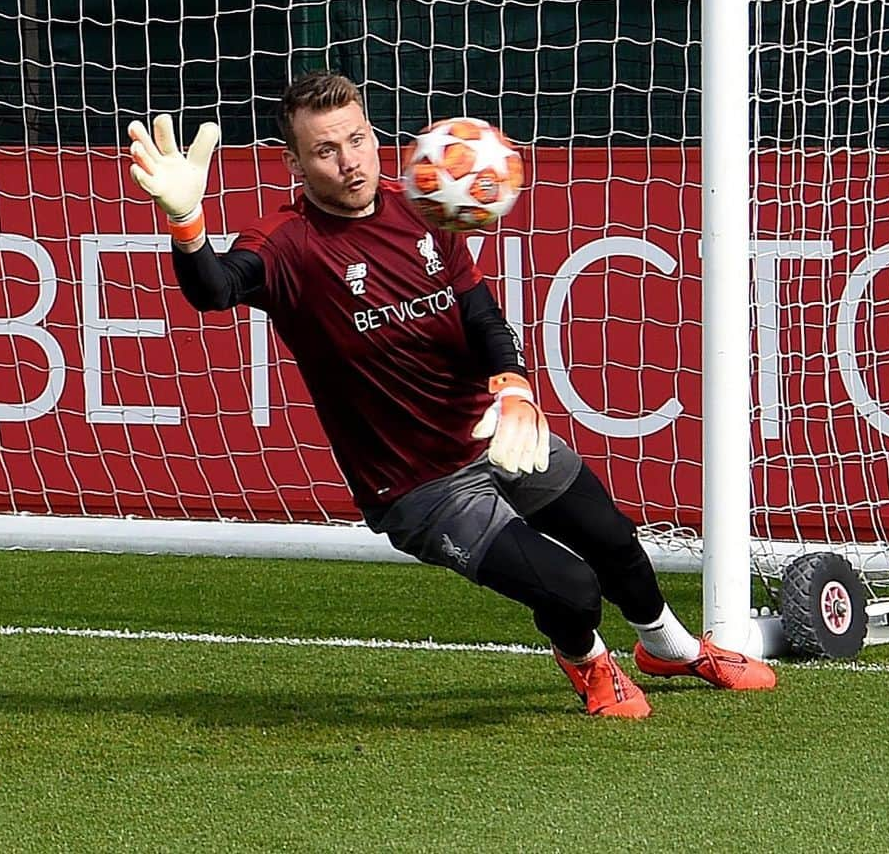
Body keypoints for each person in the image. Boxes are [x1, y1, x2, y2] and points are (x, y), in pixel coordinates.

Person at [127, 70, 776, 719]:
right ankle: (589, 664)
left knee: (613, 542)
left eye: (357, 138)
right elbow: (213, 289)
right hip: (421, 488)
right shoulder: (289, 244)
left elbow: (480, 315)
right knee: (572, 590)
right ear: (294, 160)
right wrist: (187, 222)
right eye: (325, 150)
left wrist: (515, 388)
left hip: (494, 430)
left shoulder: (426, 205)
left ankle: (671, 648)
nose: (349, 160)